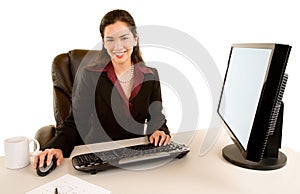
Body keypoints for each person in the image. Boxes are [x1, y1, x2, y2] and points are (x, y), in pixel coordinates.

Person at [34, 9, 171, 169]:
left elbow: (156, 116)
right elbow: (76, 122)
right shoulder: (90, 76)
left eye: (124, 38)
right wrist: (56, 147)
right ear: (104, 43)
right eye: (110, 40)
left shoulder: (150, 75)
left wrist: (159, 131)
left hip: (136, 155)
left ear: (135, 39)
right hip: (99, 157)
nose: (117, 46)